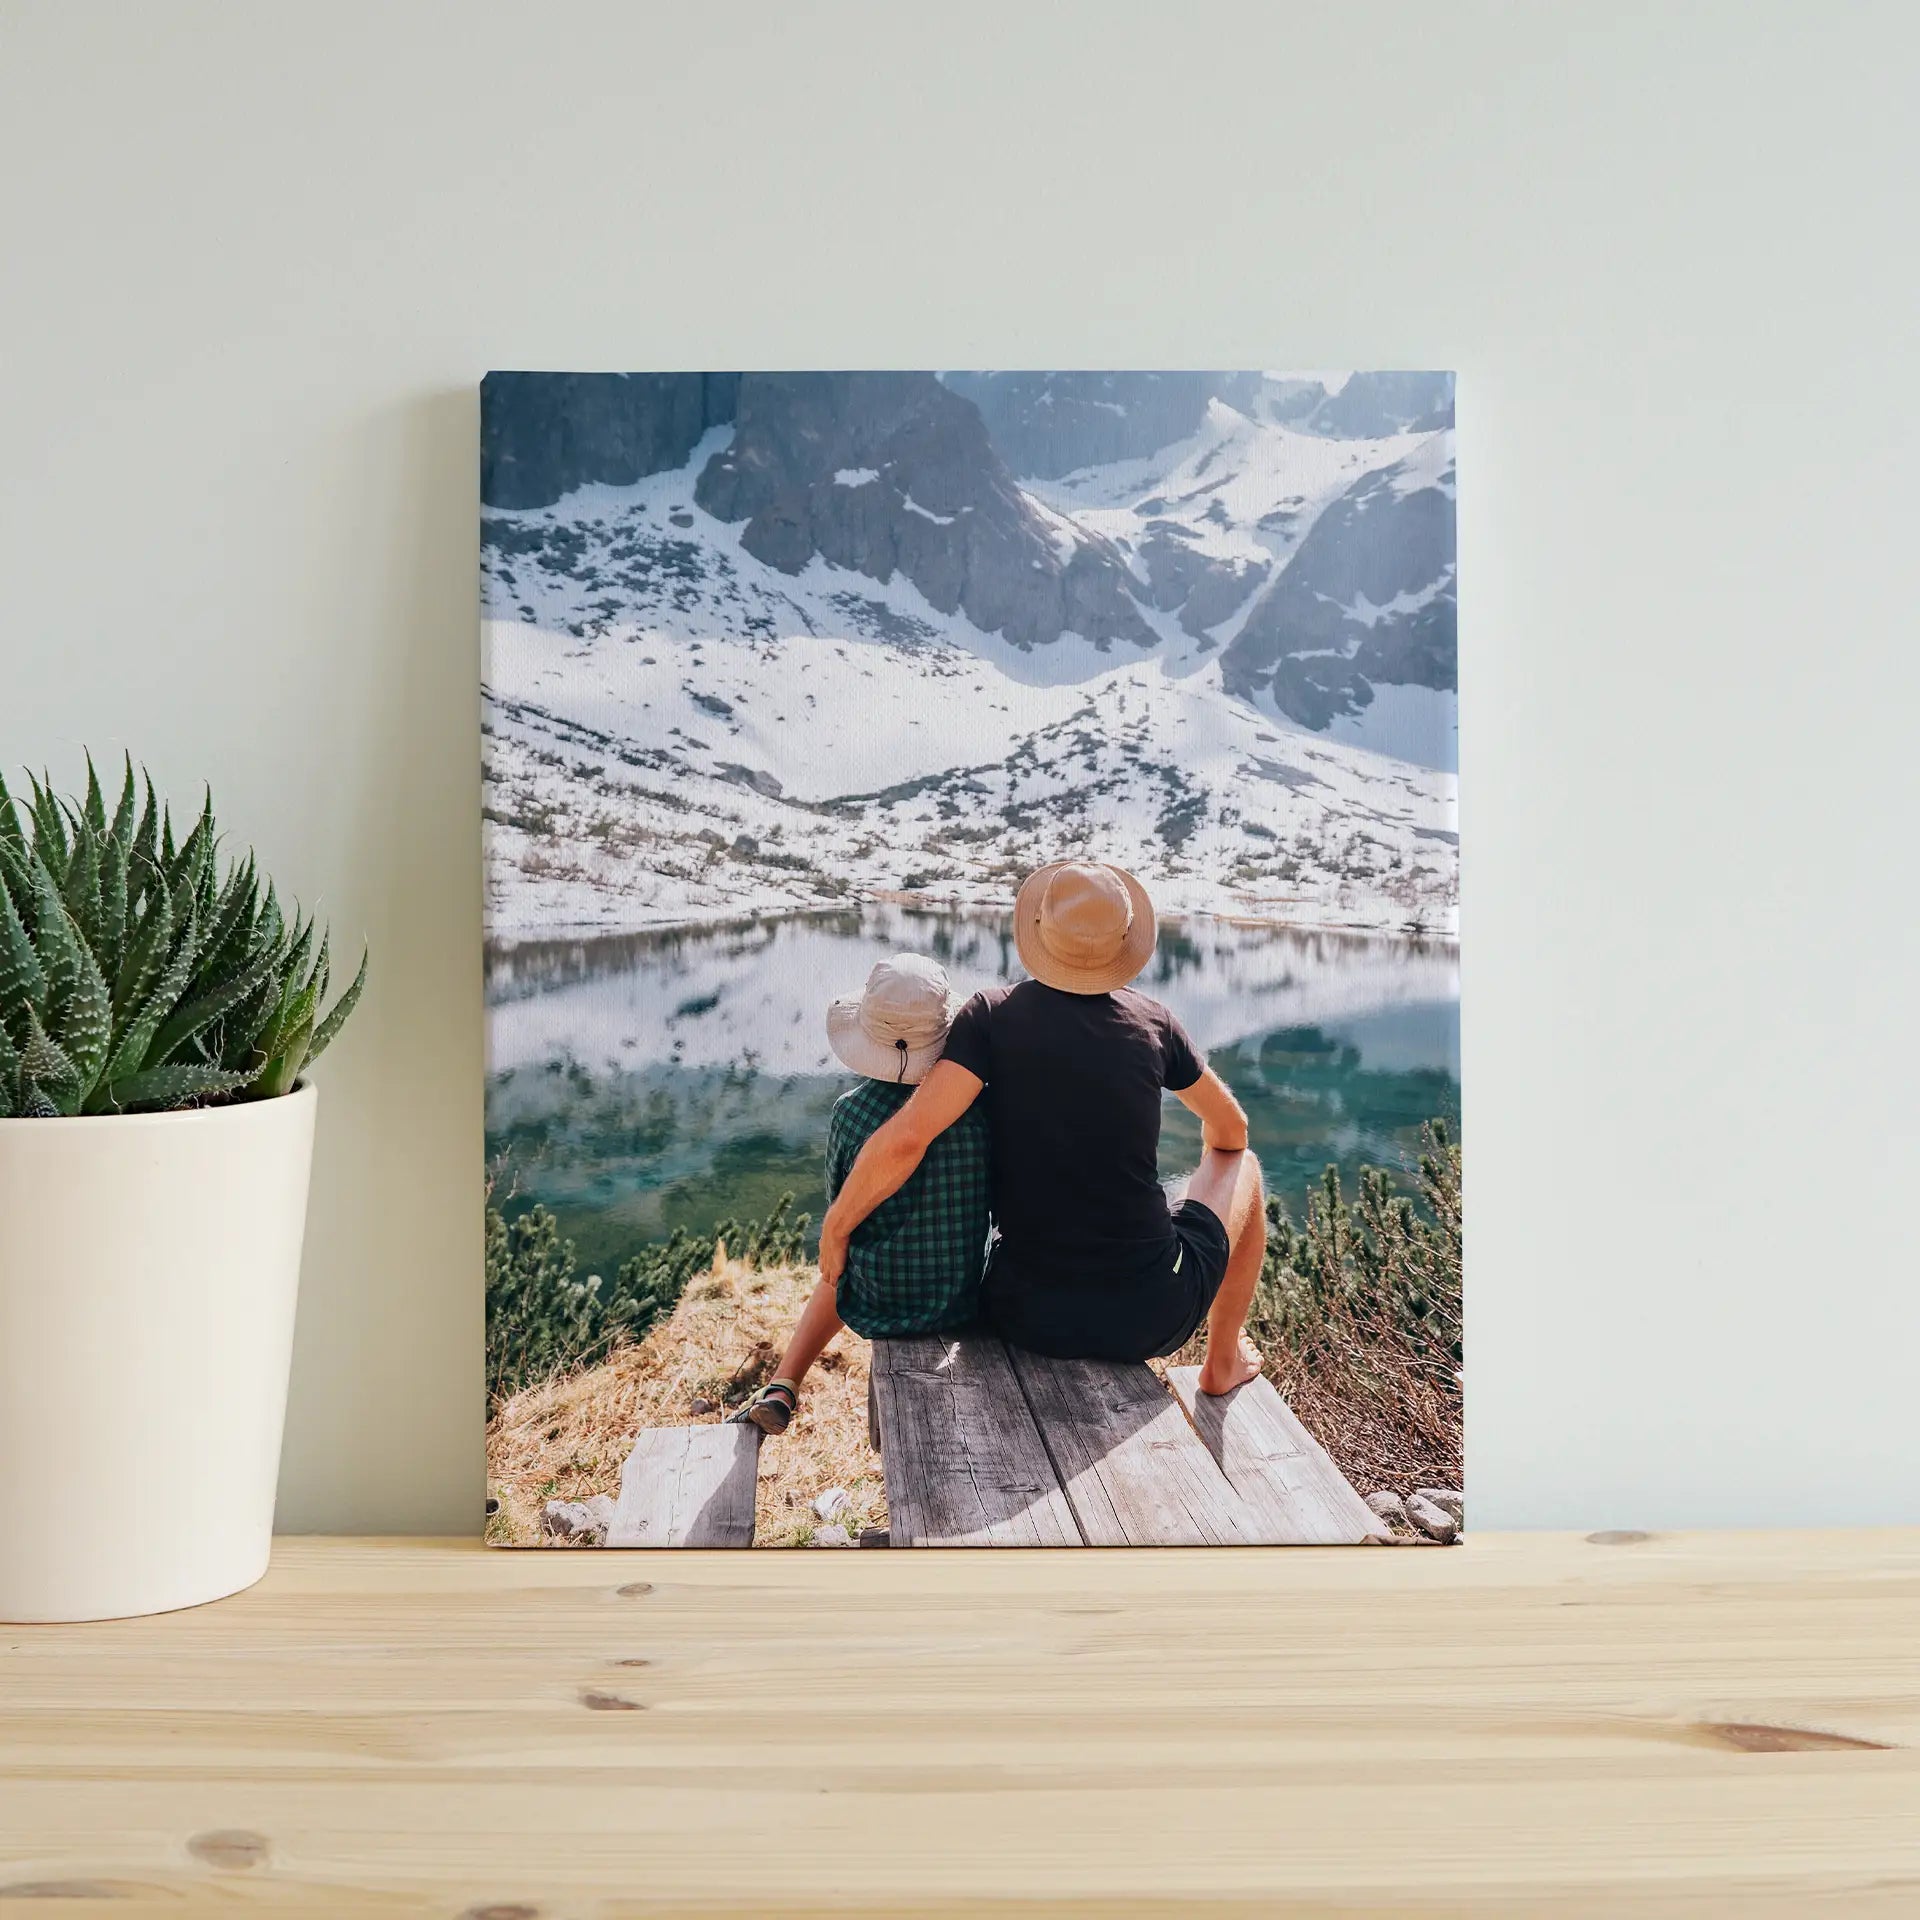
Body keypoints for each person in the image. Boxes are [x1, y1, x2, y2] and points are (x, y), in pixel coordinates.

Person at [817, 861, 1264, 1394]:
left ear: (1039, 931)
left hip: (1025, 1314)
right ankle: (1222, 1361)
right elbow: (1231, 1132)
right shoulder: (1155, 1024)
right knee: (1245, 1166)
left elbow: (908, 1137)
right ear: (1123, 942)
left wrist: (837, 1225)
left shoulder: (988, 1016)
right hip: (1148, 1314)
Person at [733, 953, 990, 1435]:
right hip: (962, 1296)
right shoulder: (977, 1107)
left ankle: (784, 1383)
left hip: (878, 1299)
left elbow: (843, 1209)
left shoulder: (850, 1112)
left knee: (840, 1258)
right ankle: (783, 1383)